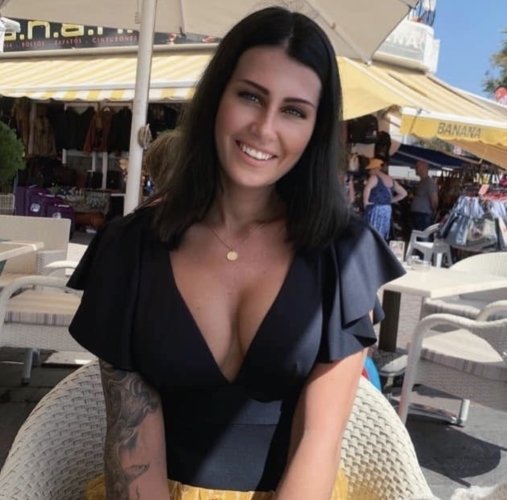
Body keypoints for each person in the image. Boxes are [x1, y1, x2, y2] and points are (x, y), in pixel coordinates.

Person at [67, 7, 404, 500]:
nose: (265, 128)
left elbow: (320, 439)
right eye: (250, 96)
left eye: (294, 111)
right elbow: (131, 443)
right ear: (217, 98)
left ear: (316, 129)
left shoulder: (343, 255)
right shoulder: (129, 250)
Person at [362, 157, 407, 240]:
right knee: (382, 233)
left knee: (372, 232)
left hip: (376, 209)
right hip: (387, 210)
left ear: (375, 168)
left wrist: (365, 202)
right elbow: (403, 193)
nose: (369, 172)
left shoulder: (374, 177)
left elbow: (367, 189)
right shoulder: (391, 180)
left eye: (370, 169)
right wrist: (390, 200)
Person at [410, 160, 438, 231]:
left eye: (417, 167)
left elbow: (434, 200)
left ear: (424, 168)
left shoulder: (429, 182)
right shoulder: (422, 182)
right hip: (419, 215)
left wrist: (433, 212)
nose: (415, 169)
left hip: (423, 216)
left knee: (421, 236)